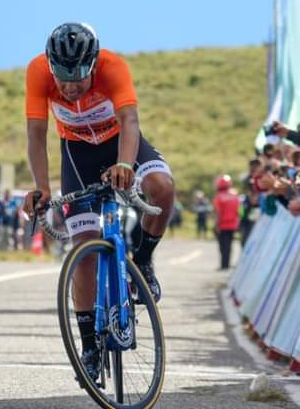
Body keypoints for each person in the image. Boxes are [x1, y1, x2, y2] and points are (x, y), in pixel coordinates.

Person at [22, 22, 176, 382]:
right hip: (77, 153)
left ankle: (144, 258)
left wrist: (125, 163)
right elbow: (35, 132)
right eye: (62, 76)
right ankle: (89, 345)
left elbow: (130, 119)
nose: (70, 85)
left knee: (163, 188)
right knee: (86, 248)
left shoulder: (113, 66)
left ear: (93, 64)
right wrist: (42, 187)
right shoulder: (37, 71)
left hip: (120, 140)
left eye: (78, 76)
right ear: (50, 65)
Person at [213, 175, 240, 270]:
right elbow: (238, 211)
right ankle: (227, 264)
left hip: (222, 225)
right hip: (232, 225)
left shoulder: (219, 197)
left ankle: (224, 265)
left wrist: (216, 225)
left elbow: (218, 213)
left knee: (222, 246)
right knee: (229, 245)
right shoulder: (235, 195)